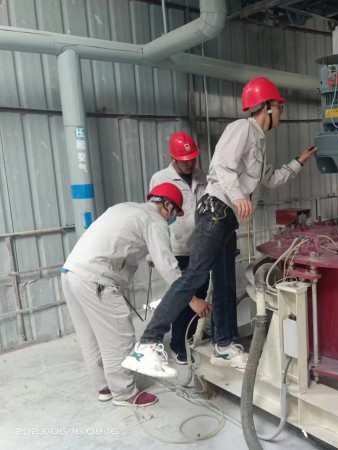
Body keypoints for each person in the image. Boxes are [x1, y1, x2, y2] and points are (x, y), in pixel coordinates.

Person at [123, 76, 317, 374]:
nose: (281, 112)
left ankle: (223, 346)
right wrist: (238, 196)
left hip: (227, 219)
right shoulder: (242, 128)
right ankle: (147, 343)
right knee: (193, 276)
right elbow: (220, 166)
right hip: (216, 211)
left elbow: (269, 179)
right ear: (266, 106)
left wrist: (299, 162)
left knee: (225, 283)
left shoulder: (259, 141)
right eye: (279, 106)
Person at [61, 183, 187, 407]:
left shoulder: (126, 208)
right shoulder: (155, 220)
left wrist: (150, 257)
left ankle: (104, 387)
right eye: (175, 212)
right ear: (167, 205)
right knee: (119, 338)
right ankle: (124, 393)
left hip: (71, 272)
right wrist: (191, 298)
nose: (173, 217)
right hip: (96, 279)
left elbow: (124, 240)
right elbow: (168, 265)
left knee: (89, 336)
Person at [149, 131, 208, 365]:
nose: (190, 164)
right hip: (175, 247)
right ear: (173, 158)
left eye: (192, 159)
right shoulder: (160, 178)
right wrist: (152, 253)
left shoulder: (201, 176)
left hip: (200, 246)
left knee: (200, 294)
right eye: (185, 160)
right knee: (183, 298)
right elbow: (153, 217)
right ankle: (178, 345)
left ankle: (192, 336)